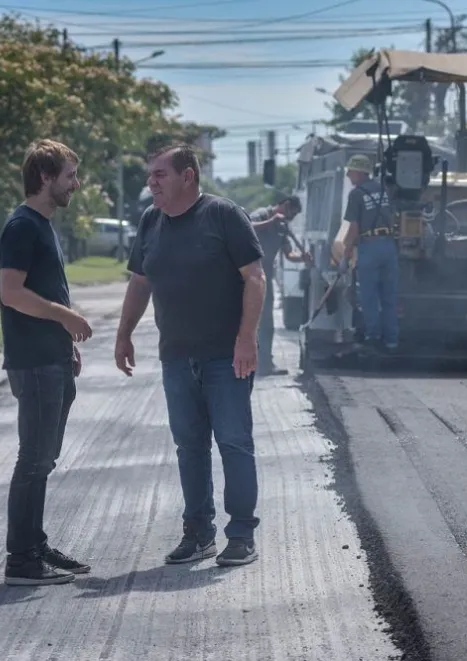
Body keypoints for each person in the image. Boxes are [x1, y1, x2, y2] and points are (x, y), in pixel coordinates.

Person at [115, 143, 266, 567]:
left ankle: (241, 535)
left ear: (188, 176)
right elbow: (139, 283)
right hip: (176, 357)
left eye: (160, 174)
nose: (151, 183)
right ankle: (199, 534)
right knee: (189, 447)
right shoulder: (151, 221)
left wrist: (247, 338)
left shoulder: (223, 215)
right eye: (150, 175)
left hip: (225, 357)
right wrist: (124, 334)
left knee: (234, 443)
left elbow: (255, 278)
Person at [0, 139, 93, 586]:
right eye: (70, 175)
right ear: (45, 177)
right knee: (33, 459)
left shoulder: (42, 225)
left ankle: (34, 545)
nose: (77, 184)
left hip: (51, 357)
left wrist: (65, 340)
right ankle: (22, 561)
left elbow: (42, 289)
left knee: (43, 459)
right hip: (33, 363)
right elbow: (11, 293)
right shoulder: (22, 226)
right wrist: (65, 316)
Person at [339, 154, 398, 351]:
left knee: (369, 296)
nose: (348, 175)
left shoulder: (356, 195)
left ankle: (373, 337)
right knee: (389, 296)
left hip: (370, 247)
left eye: (350, 171)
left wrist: (345, 257)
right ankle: (392, 340)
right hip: (389, 246)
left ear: (360, 172)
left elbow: (353, 229)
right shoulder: (384, 189)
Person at [248, 195, 312, 375]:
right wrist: (271, 221)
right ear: (285, 205)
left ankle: (265, 363)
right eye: (292, 213)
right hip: (247, 273)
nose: (291, 218)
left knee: (266, 322)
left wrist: (302, 257)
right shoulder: (262, 214)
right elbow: (246, 228)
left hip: (265, 276)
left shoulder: (283, 228)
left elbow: (289, 254)